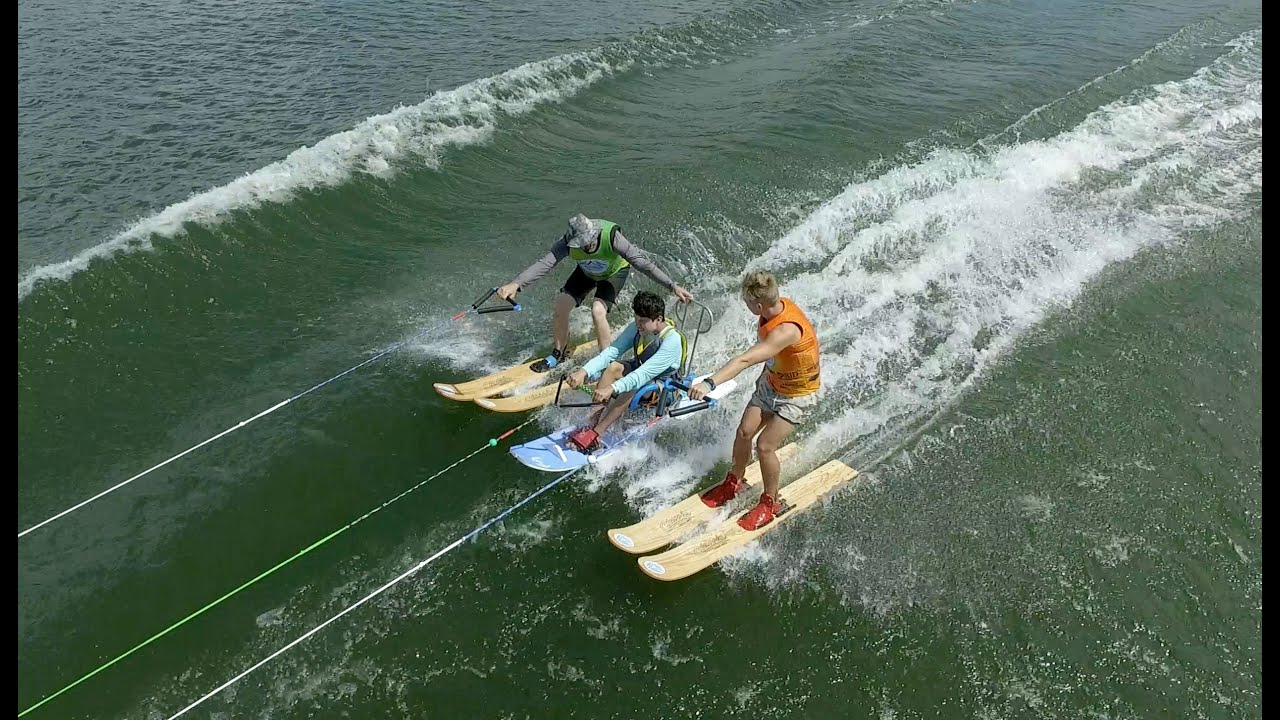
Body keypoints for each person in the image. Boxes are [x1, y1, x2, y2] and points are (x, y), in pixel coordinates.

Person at [688, 271, 821, 530]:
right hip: (772, 383)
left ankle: (771, 503)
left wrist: (709, 383)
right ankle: (735, 480)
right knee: (745, 431)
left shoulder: (785, 330)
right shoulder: (772, 310)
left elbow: (745, 359)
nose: (746, 306)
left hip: (797, 394)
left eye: (747, 303)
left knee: (765, 446)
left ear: (758, 305)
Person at [496, 214, 693, 372]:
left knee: (597, 311)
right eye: (579, 244)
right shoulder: (567, 241)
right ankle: (558, 353)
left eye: (585, 243)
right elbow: (545, 264)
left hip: (614, 273)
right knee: (561, 305)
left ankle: (604, 363)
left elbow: (643, 264)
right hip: (586, 272)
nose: (583, 247)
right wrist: (516, 284)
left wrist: (672, 286)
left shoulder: (612, 236)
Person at [562, 291, 686, 451]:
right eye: (636, 319)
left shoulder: (672, 341)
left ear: (659, 320)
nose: (638, 324)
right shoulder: (638, 328)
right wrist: (583, 372)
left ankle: (597, 434)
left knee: (635, 384)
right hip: (641, 373)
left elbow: (641, 375)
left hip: (665, 389)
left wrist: (611, 389)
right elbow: (611, 352)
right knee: (613, 367)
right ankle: (592, 423)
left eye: (643, 321)